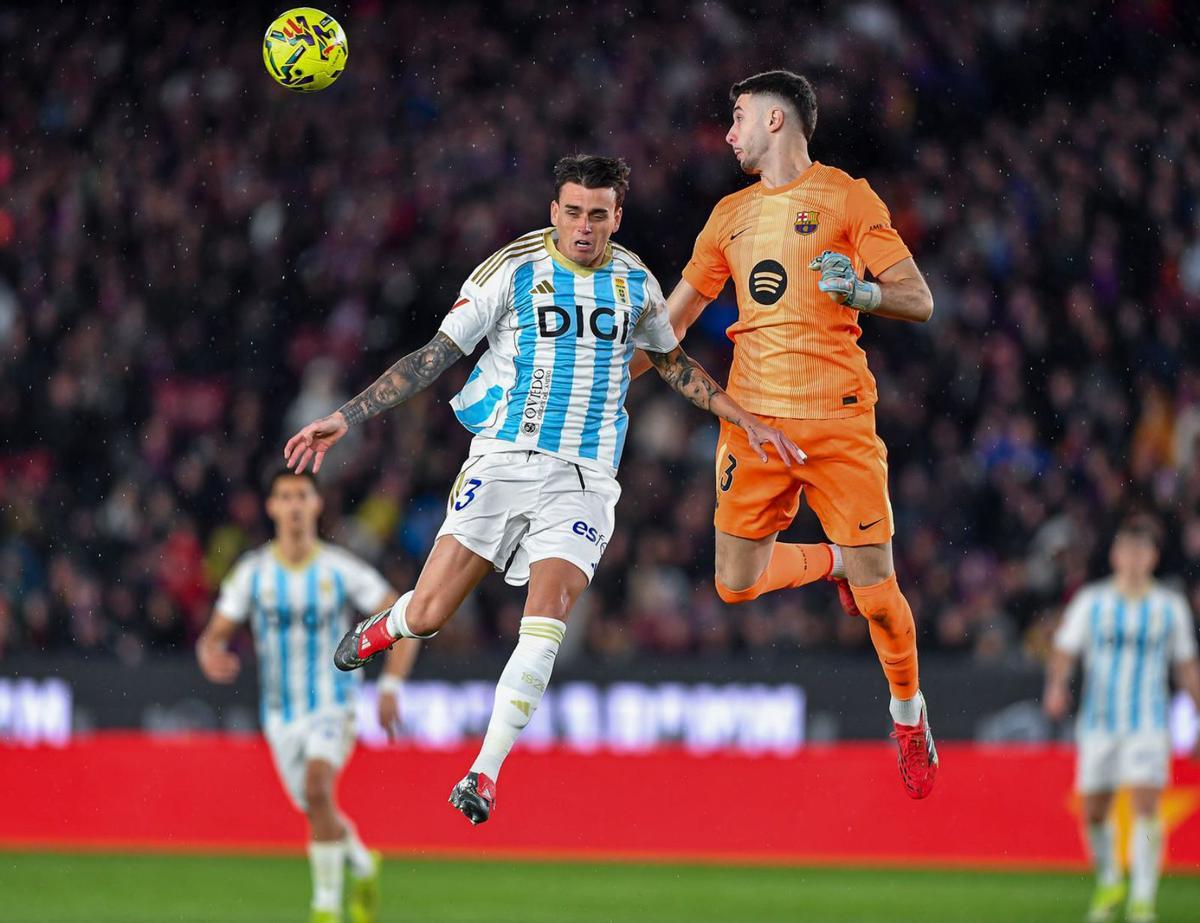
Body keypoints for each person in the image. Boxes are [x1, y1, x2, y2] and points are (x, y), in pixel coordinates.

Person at [282, 154, 806, 825]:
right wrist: (346, 417)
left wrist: (745, 419)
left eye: (598, 214)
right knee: (432, 613)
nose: (584, 226)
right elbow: (433, 357)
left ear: (617, 216)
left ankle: (484, 771)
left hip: (584, 479)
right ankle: (390, 625)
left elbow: (673, 365)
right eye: (573, 212)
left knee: (549, 613)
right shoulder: (511, 271)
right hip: (503, 459)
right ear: (554, 211)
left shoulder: (635, 282)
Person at [629, 69, 938, 797]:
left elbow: (918, 298)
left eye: (737, 116)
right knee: (733, 583)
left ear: (776, 120)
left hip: (838, 420)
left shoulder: (847, 196)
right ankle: (830, 561)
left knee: (882, 599)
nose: (728, 131)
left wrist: (860, 290)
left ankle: (908, 712)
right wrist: (605, 381)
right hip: (754, 423)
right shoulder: (727, 216)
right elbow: (668, 326)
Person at [197, 469, 419, 923]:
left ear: (317, 506)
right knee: (316, 807)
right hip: (279, 714)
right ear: (272, 508)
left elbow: (406, 618)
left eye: (302, 496)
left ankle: (324, 909)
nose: (294, 504)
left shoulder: (340, 569)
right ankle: (361, 861)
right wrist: (208, 653)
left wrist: (390, 685)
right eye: (285, 496)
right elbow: (213, 635)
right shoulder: (253, 573)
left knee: (318, 789)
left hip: (333, 705)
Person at [1044, 514, 1200, 923]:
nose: (1132, 559)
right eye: (1127, 550)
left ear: (1152, 557)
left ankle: (1143, 901)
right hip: (1099, 723)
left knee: (1148, 806)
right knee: (1095, 811)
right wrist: (1056, 686)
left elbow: (1186, 667)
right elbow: (1064, 649)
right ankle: (1111, 877)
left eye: (1141, 551)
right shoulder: (1092, 602)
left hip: (1148, 722)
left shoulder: (1169, 607)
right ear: (1115, 556)